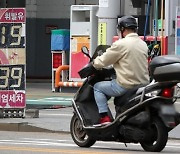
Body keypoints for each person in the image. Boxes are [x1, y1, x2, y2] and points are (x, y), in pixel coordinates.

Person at [92, 16, 150, 126]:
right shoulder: (143, 44)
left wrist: (94, 64)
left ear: (123, 29)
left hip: (126, 85)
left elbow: (104, 60)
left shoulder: (121, 44)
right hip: (143, 84)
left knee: (98, 87)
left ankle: (105, 118)